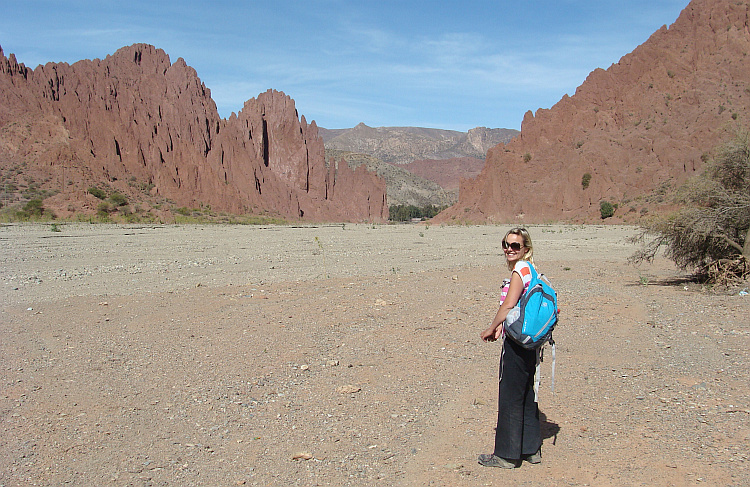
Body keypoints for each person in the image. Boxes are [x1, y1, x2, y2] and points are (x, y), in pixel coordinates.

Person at [478, 227, 543, 468]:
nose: (509, 249)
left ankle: (506, 455)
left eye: (515, 245)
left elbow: (508, 305)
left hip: (517, 342)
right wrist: (500, 328)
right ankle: (530, 449)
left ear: (526, 248)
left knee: (510, 395)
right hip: (530, 341)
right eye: (506, 244)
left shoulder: (520, 270)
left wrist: (491, 326)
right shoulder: (532, 269)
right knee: (526, 393)